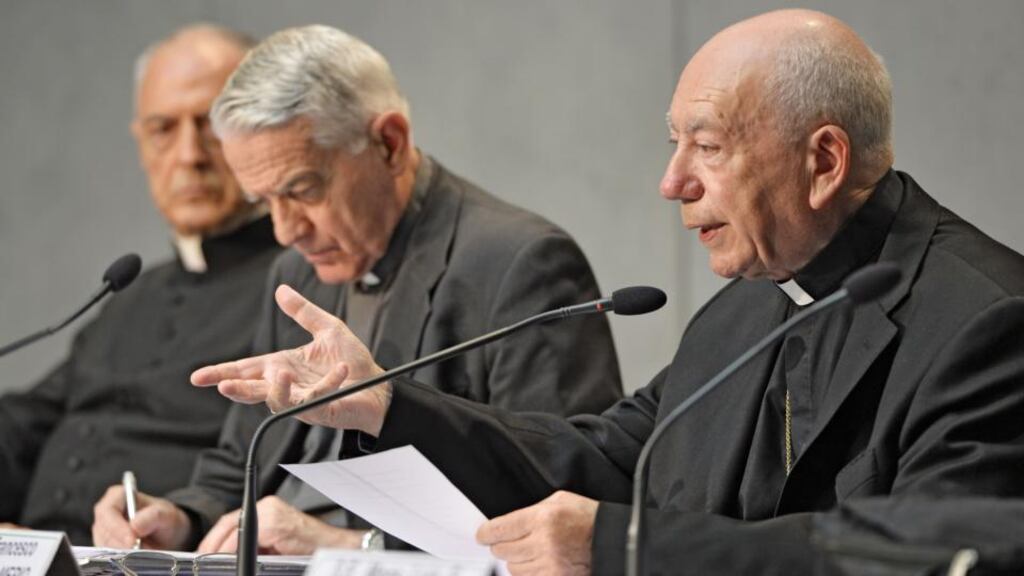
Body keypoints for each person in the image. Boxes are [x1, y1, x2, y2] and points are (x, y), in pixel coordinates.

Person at [178, 9, 1024, 574]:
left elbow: (932, 550)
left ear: (824, 162)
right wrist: (384, 407)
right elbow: (606, 460)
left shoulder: (986, 320)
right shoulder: (748, 306)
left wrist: (628, 550)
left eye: (708, 146)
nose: (672, 181)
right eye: (672, 143)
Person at [91, 25, 623, 554]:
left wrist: (355, 548)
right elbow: (242, 458)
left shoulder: (518, 263)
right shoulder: (296, 272)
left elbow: (564, 505)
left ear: (389, 144)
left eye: (302, 191)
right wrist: (180, 518)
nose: (285, 231)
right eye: (265, 202)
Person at [0, 24, 281, 544]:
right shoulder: (131, 290)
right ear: (140, 143)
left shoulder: (299, 283)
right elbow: (26, 420)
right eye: (162, 129)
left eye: (210, 125)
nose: (189, 155)